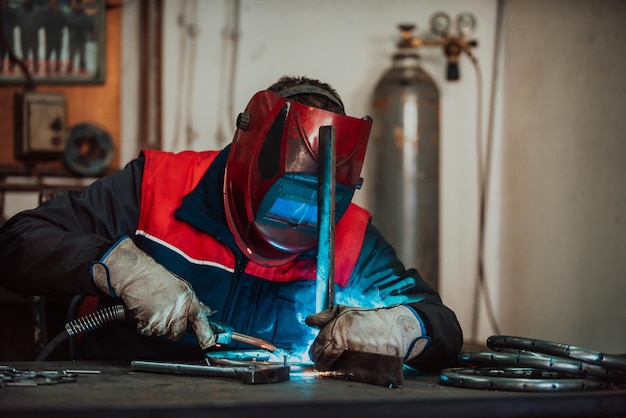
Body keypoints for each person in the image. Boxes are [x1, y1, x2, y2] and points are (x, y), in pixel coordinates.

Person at [0, 76, 463, 372]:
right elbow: (18, 242)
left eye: (322, 208)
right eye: (289, 196)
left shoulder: (352, 238)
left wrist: (403, 327)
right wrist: (117, 268)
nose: (300, 221)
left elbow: (441, 324)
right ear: (245, 161)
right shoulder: (158, 185)